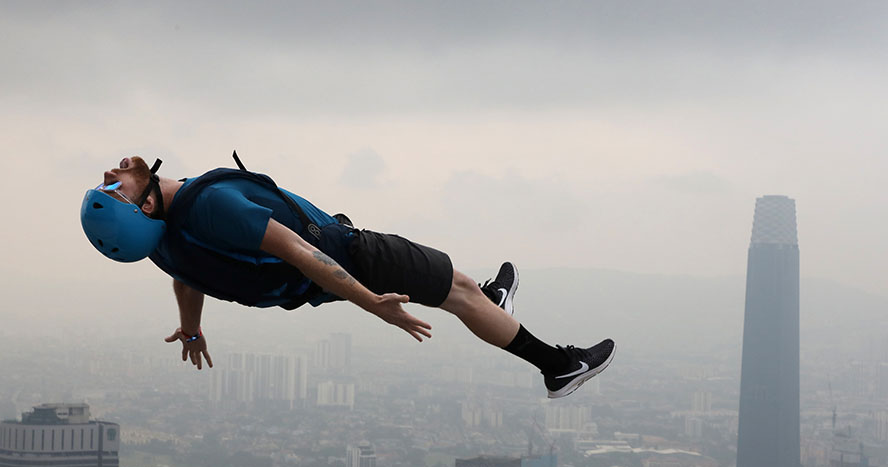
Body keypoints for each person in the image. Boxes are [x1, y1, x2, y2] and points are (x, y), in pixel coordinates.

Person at [81, 154, 615, 398]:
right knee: (459, 291)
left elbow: (187, 279)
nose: (111, 173)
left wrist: (192, 327)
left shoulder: (164, 242)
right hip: (347, 258)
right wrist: (369, 300)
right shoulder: (211, 207)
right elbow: (300, 250)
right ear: (144, 207)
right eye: (114, 188)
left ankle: (492, 302)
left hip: (317, 280)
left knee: (464, 290)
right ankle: (559, 367)